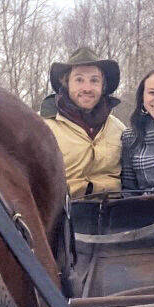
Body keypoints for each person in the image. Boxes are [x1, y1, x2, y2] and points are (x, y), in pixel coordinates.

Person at [39, 47, 125, 196]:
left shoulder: (119, 129)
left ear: (103, 85)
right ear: (66, 83)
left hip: (114, 213)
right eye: (79, 80)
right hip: (61, 214)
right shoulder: (42, 126)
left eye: (94, 80)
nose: (87, 88)